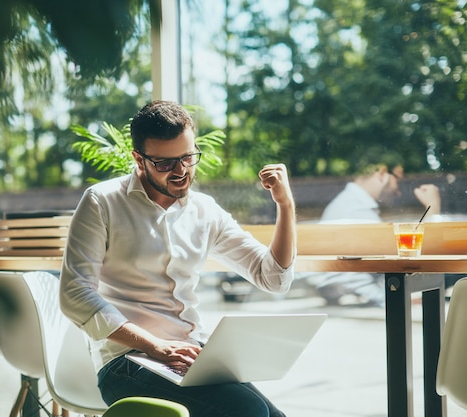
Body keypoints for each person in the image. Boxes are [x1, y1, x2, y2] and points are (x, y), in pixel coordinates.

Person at [60, 100, 297, 417]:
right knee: (248, 410)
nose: (182, 171)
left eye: (188, 157)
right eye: (165, 163)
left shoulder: (205, 211)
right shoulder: (103, 202)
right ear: (139, 160)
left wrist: (285, 206)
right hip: (126, 362)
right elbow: (75, 294)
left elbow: (273, 278)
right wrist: (155, 346)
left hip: (191, 356)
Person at [312, 160, 441, 306]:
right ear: (382, 175)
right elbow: (346, 274)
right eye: (397, 181)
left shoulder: (351, 204)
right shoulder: (356, 211)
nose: (398, 192)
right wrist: (433, 209)